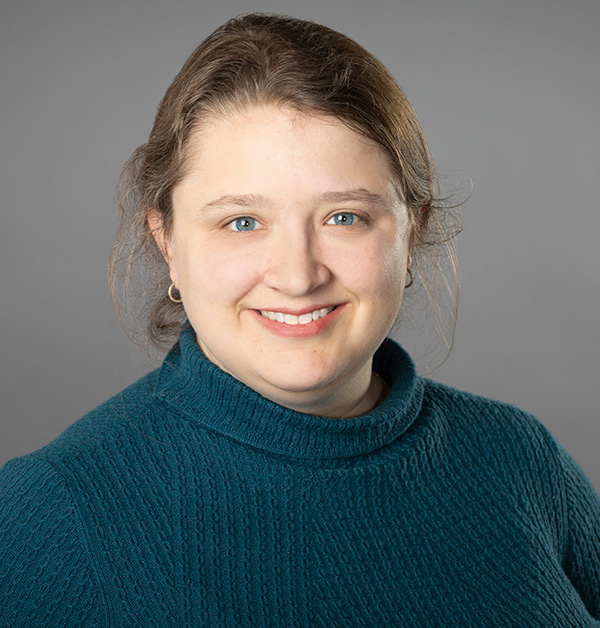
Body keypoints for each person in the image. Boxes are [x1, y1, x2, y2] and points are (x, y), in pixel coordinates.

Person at [1, 12, 599, 627]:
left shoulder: (522, 461)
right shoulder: (52, 511)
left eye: (344, 217)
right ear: (168, 242)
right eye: (242, 222)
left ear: (411, 230)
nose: (297, 275)